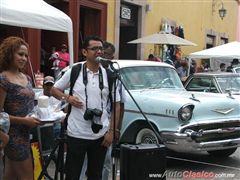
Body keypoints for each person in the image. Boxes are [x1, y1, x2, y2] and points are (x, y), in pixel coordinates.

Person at [51, 35, 121, 180]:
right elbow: (54, 89)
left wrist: (112, 132)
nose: (99, 52)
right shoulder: (75, 70)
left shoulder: (109, 75)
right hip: (76, 133)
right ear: (84, 52)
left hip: (100, 134)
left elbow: (117, 105)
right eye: (94, 48)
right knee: (72, 174)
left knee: (96, 175)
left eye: (100, 48)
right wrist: (68, 98)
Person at [80, 41, 126, 180]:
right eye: (102, 53)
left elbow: (120, 105)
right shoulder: (81, 71)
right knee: (83, 163)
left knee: (105, 163)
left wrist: (115, 129)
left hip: (105, 129)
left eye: (109, 56)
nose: (103, 56)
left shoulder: (114, 76)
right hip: (82, 129)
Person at [0, 36, 42, 179]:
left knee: (10, 176)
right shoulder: (3, 79)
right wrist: (25, 121)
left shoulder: (27, 78)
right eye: (20, 54)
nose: (24, 58)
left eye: (26, 55)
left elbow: (30, 104)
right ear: (9, 53)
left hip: (28, 134)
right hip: (13, 137)